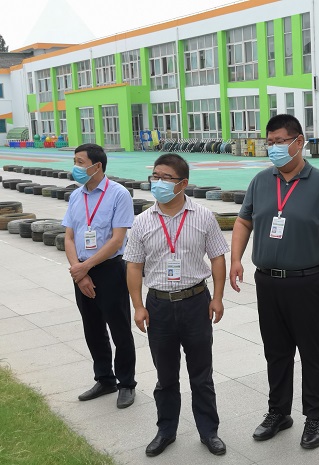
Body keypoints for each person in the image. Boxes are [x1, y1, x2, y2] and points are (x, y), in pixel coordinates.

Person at [229, 114, 319, 450]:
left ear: (299, 142)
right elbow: (243, 221)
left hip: (308, 281)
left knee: (312, 352)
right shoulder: (261, 181)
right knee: (276, 351)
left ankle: (315, 417)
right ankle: (279, 413)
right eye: (269, 142)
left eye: (280, 141)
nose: (274, 148)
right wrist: (236, 258)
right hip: (268, 281)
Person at [123, 154, 229, 458]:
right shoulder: (142, 221)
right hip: (159, 306)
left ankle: (209, 431)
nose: (157, 182)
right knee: (166, 376)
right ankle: (166, 430)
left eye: (165, 178)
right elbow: (133, 266)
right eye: (155, 176)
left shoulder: (204, 216)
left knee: (201, 374)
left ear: (182, 183)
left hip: (196, 302)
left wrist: (217, 297)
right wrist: (138, 306)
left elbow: (217, 258)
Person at [62, 143, 137, 409]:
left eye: (80, 162)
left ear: (97, 166)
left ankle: (126, 383)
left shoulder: (118, 194)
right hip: (81, 270)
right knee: (92, 328)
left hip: (110, 269)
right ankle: (105, 379)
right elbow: (68, 237)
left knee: (119, 328)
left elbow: (117, 240)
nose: (75, 167)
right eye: (74, 161)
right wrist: (79, 270)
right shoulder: (76, 196)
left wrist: (86, 267)